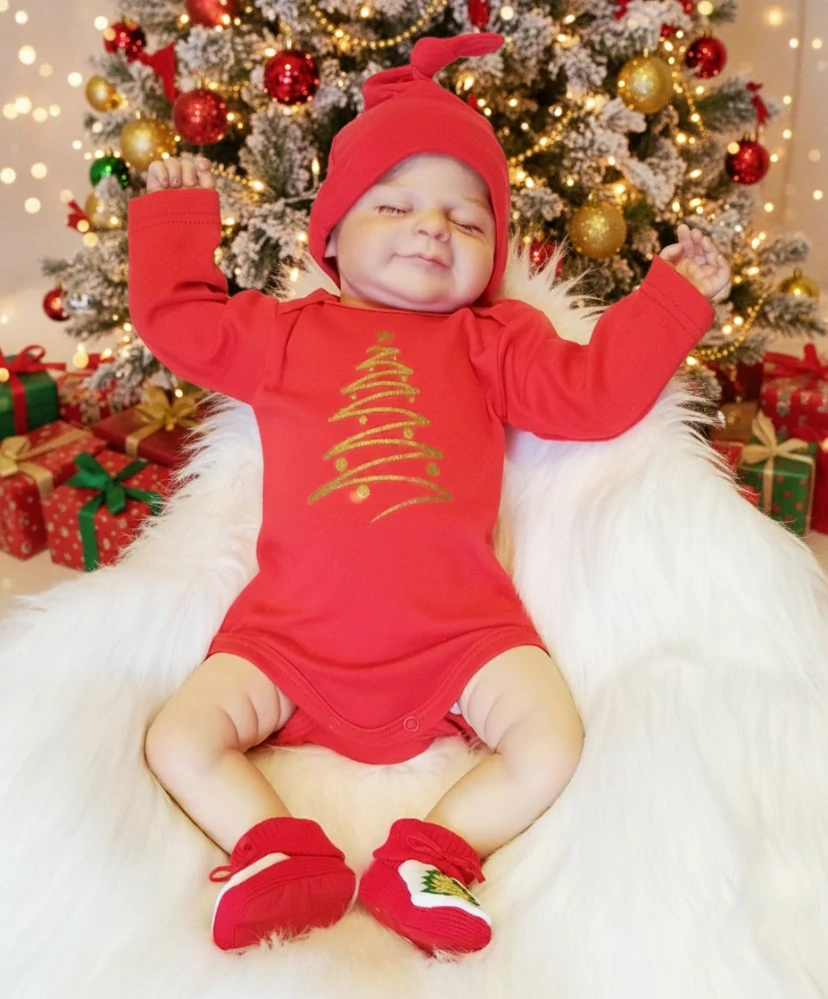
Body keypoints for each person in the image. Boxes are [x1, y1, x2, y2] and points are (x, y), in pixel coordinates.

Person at [127, 31, 730, 958]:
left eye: (468, 221)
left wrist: (671, 302)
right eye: (396, 204)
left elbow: (595, 395)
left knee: (551, 738)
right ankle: (273, 846)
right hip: (290, 636)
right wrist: (174, 216)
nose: (433, 228)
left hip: (461, 636)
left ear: (492, 258)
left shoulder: (492, 341)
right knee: (179, 736)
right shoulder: (284, 334)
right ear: (332, 236)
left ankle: (436, 852)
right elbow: (179, 322)